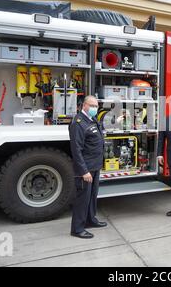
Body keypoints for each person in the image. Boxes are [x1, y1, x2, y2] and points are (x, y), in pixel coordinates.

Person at [69, 95, 107, 239]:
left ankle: (91, 220)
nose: (95, 109)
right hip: (86, 169)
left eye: (96, 106)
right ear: (84, 105)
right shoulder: (78, 123)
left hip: (95, 166)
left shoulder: (91, 119)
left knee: (92, 196)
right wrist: (84, 171)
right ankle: (77, 229)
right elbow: (76, 149)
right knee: (82, 198)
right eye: (92, 106)